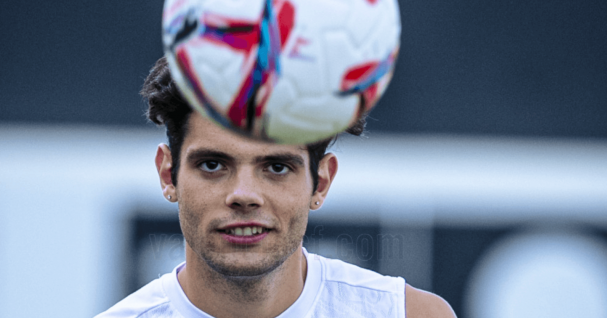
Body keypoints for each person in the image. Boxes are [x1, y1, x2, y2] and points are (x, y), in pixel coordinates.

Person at [95, 57, 456, 318]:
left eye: (277, 167)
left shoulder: (410, 315)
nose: (244, 194)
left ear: (321, 181)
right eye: (213, 164)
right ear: (168, 174)